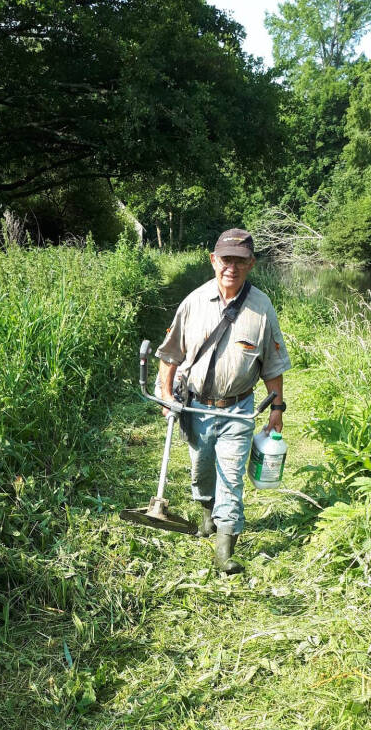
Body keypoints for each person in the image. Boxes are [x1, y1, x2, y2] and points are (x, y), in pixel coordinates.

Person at [155, 228, 290, 574]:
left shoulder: (262, 308)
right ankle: (206, 516)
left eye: (240, 260)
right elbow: (170, 355)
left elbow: (273, 365)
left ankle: (224, 552)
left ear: (251, 264)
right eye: (226, 259)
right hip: (197, 407)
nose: (232, 267)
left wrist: (277, 408)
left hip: (239, 409)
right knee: (202, 472)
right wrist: (167, 395)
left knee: (231, 476)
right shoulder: (194, 302)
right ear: (214, 261)